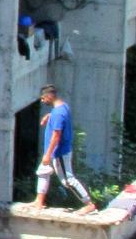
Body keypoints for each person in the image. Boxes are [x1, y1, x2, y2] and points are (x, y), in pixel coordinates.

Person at [31, 84, 94, 213]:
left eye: (43, 99)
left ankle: (89, 204)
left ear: (49, 96)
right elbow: (59, 116)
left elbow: (56, 135)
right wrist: (49, 116)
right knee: (43, 171)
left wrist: (47, 154)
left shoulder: (58, 114)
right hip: (56, 151)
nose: (43, 101)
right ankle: (39, 200)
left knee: (68, 180)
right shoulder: (62, 107)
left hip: (59, 153)